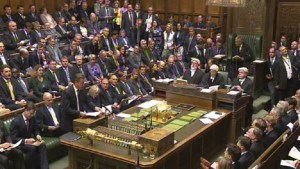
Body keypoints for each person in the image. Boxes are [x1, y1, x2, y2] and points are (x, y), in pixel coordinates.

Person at [10, 101, 49, 169]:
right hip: (20, 144)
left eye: (33, 114)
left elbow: (35, 129)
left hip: (30, 142)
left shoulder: (32, 118)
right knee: (32, 148)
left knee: (42, 145)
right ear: (25, 110)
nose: (31, 115)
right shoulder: (16, 121)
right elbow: (13, 138)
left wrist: (37, 135)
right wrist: (26, 140)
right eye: (30, 113)